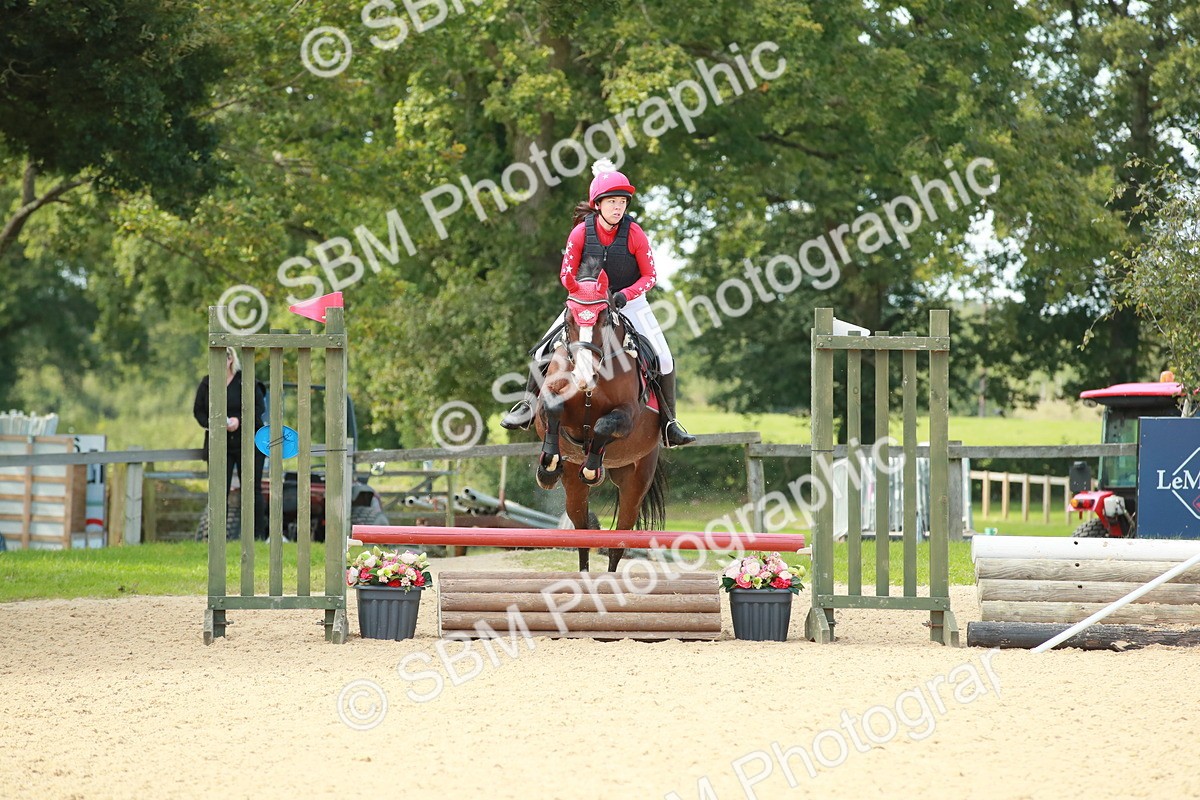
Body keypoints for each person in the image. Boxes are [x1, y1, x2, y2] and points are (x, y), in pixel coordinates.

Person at [501, 158, 695, 447]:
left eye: (623, 202)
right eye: (612, 202)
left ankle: (669, 424)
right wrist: (584, 293)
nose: (618, 208)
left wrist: (624, 295)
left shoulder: (635, 233)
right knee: (543, 348)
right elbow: (566, 273)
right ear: (598, 204)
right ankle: (528, 407)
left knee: (664, 358)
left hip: (629, 302)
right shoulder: (580, 232)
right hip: (585, 303)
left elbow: (650, 276)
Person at [192, 347, 269, 539]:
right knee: (219, 490)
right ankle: (217, 536)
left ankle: (258, 536)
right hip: (220, 442)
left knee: (252, 489)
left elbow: (259, 408)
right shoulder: (207, 382)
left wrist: (239, 420)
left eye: (225, 356)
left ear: (231, 359)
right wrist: (215, 423)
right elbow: (198, 411)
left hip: (247, 441)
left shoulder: (246, 380)